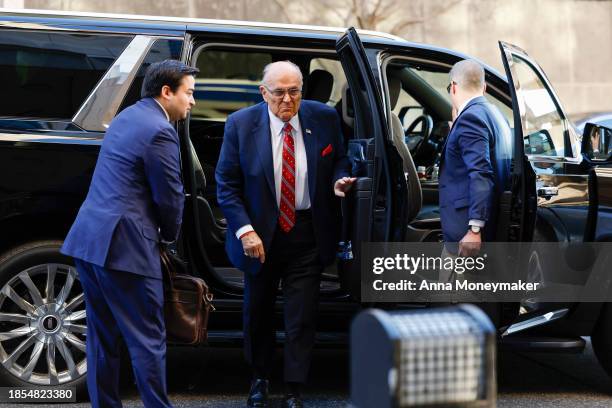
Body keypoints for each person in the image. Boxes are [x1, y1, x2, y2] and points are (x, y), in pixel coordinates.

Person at [216, 60, 354, 408]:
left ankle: (294, 388)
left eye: (295, 92)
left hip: (307, 233)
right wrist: (245, 231)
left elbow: (339, 158)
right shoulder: (240, 125)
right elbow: (226, 186)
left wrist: (339, 179)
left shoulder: (322, 117)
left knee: (301, 316)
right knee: (258, 312)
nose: (288, 100)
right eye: (279, 93)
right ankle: (260, 379)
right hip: (259, 236)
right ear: (264, 93)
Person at [61, 60, 198, 408]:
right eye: (189, 93)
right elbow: (169, 195)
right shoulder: (160, 130)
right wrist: (168, 238)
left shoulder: (127, 116)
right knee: (148, 340)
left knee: (101, 338)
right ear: (167, 92)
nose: (192, 102)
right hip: (126, 248)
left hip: (89, 242)